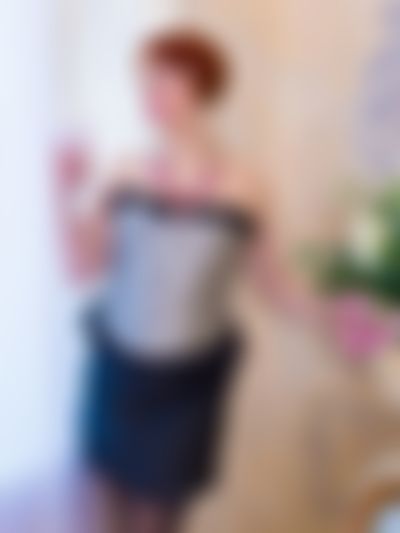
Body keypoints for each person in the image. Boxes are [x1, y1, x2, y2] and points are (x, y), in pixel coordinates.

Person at [56, 27, 300, 533]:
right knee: (103, 518)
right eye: (145, 81)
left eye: (165, 79)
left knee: (158, 523)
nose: (150, 93)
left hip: (187, 388)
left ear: (202, 86)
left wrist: (340, 315)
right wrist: (64, 192)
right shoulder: (124, 170)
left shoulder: (246, 185)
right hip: (117, 373)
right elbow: (83, 267)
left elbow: (275, 285)